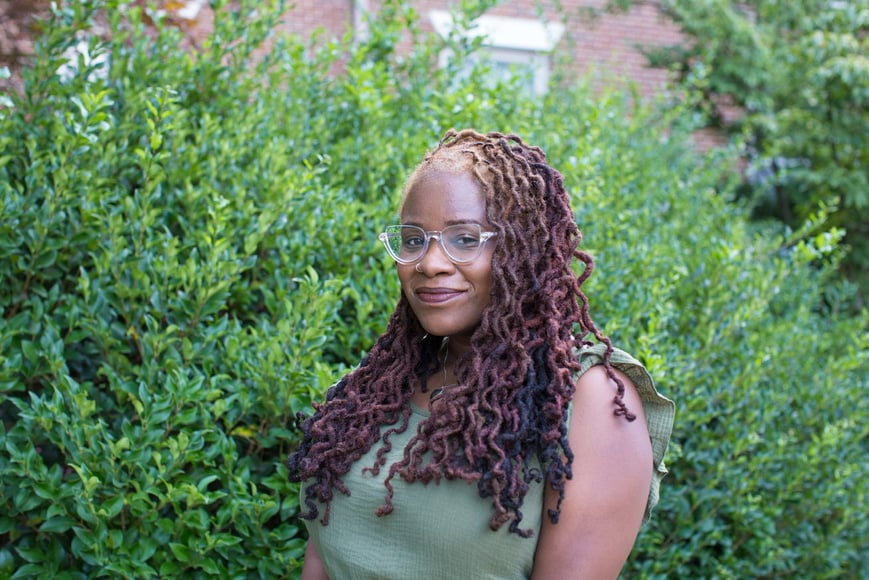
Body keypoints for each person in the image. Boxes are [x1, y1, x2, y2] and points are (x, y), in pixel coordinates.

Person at [287, 129, 675, 579]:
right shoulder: (370, 393)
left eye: (465, 239)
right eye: (413, 239)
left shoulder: (588, 403)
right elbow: (321, 558)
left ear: (522, 249)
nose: (430, 263)